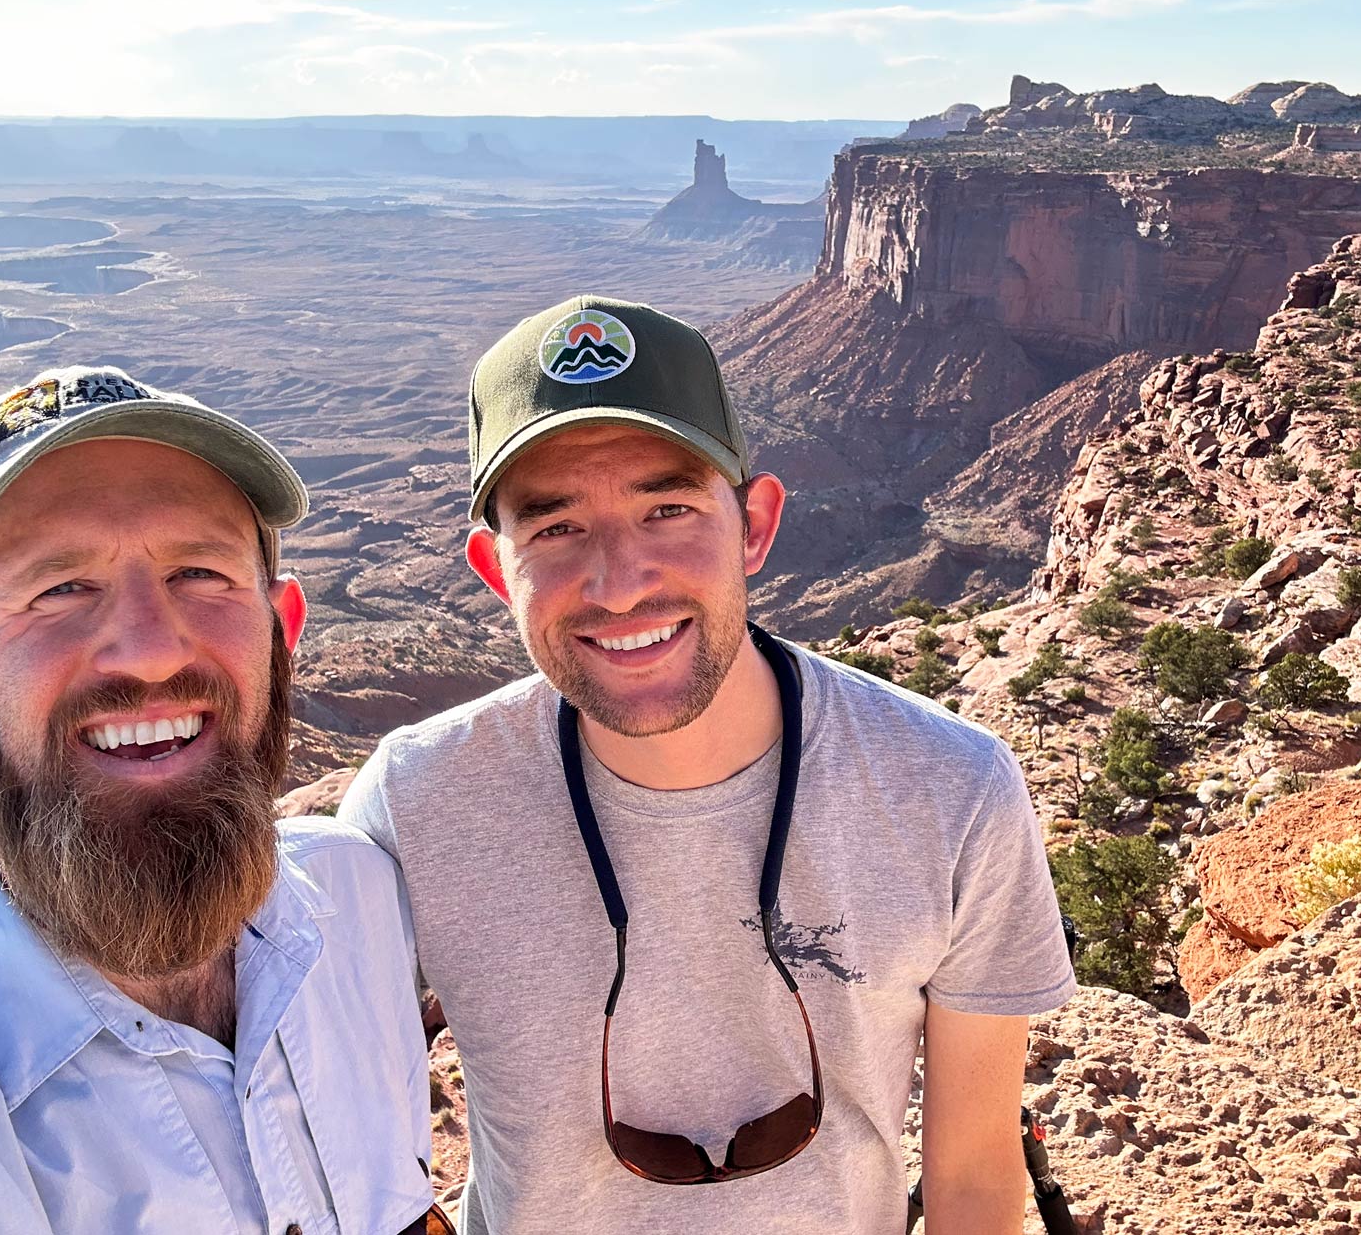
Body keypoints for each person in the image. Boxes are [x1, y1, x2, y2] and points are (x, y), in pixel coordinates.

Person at [342, 297, 1077, 1233]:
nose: (620, 582)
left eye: (669, 508)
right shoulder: (415, 800)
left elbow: (975, 1178)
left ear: (756, 527)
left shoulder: (950, 788)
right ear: (497, 567)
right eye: (556, 528)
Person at [0, 366, 449, 1234]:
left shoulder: (359, 901)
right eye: (59, 589)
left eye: (199, 571)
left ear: (282, 634)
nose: (151, 651)